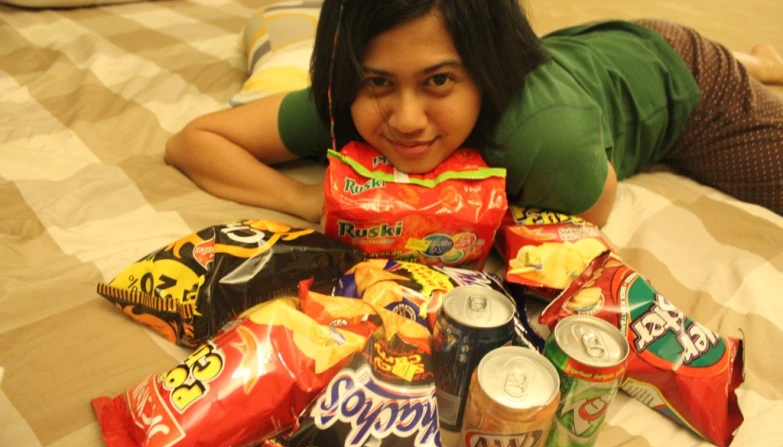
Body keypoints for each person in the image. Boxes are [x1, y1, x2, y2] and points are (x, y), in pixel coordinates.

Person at [165, 0, 783, 227]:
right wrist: (306, 203)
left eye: (439, 80)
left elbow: (597, 204)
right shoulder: (347, 105)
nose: (404, 120)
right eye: (379, 80)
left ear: (487, 73)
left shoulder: (544, 137)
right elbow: (194, 141)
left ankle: (748, 68)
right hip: (595, 50)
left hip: (683, 84)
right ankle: (758, 61)